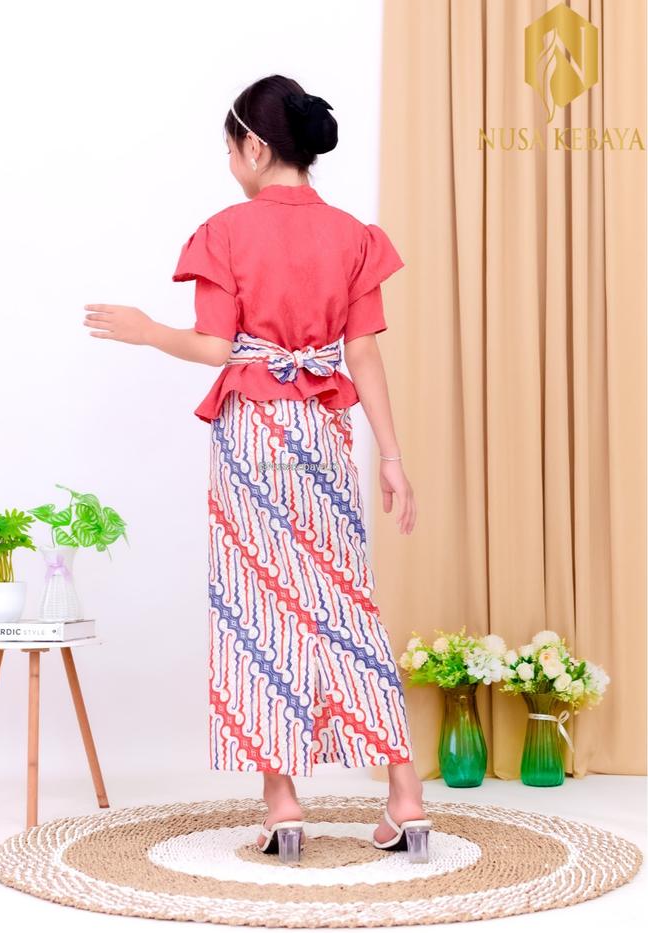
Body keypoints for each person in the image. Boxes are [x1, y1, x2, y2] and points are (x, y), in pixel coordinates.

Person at [83, 73, 431, 865]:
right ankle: (406, 795)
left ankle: (283, 803)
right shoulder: (354, 236)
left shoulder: (226, 232)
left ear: (255, 146)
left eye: (229, 146)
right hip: (324, 432)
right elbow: (363, 354)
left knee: (258, 610)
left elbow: (215, 347)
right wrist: (393, 457)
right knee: (346, 603)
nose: (228, 161)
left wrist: (147, 329)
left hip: (253, 436)